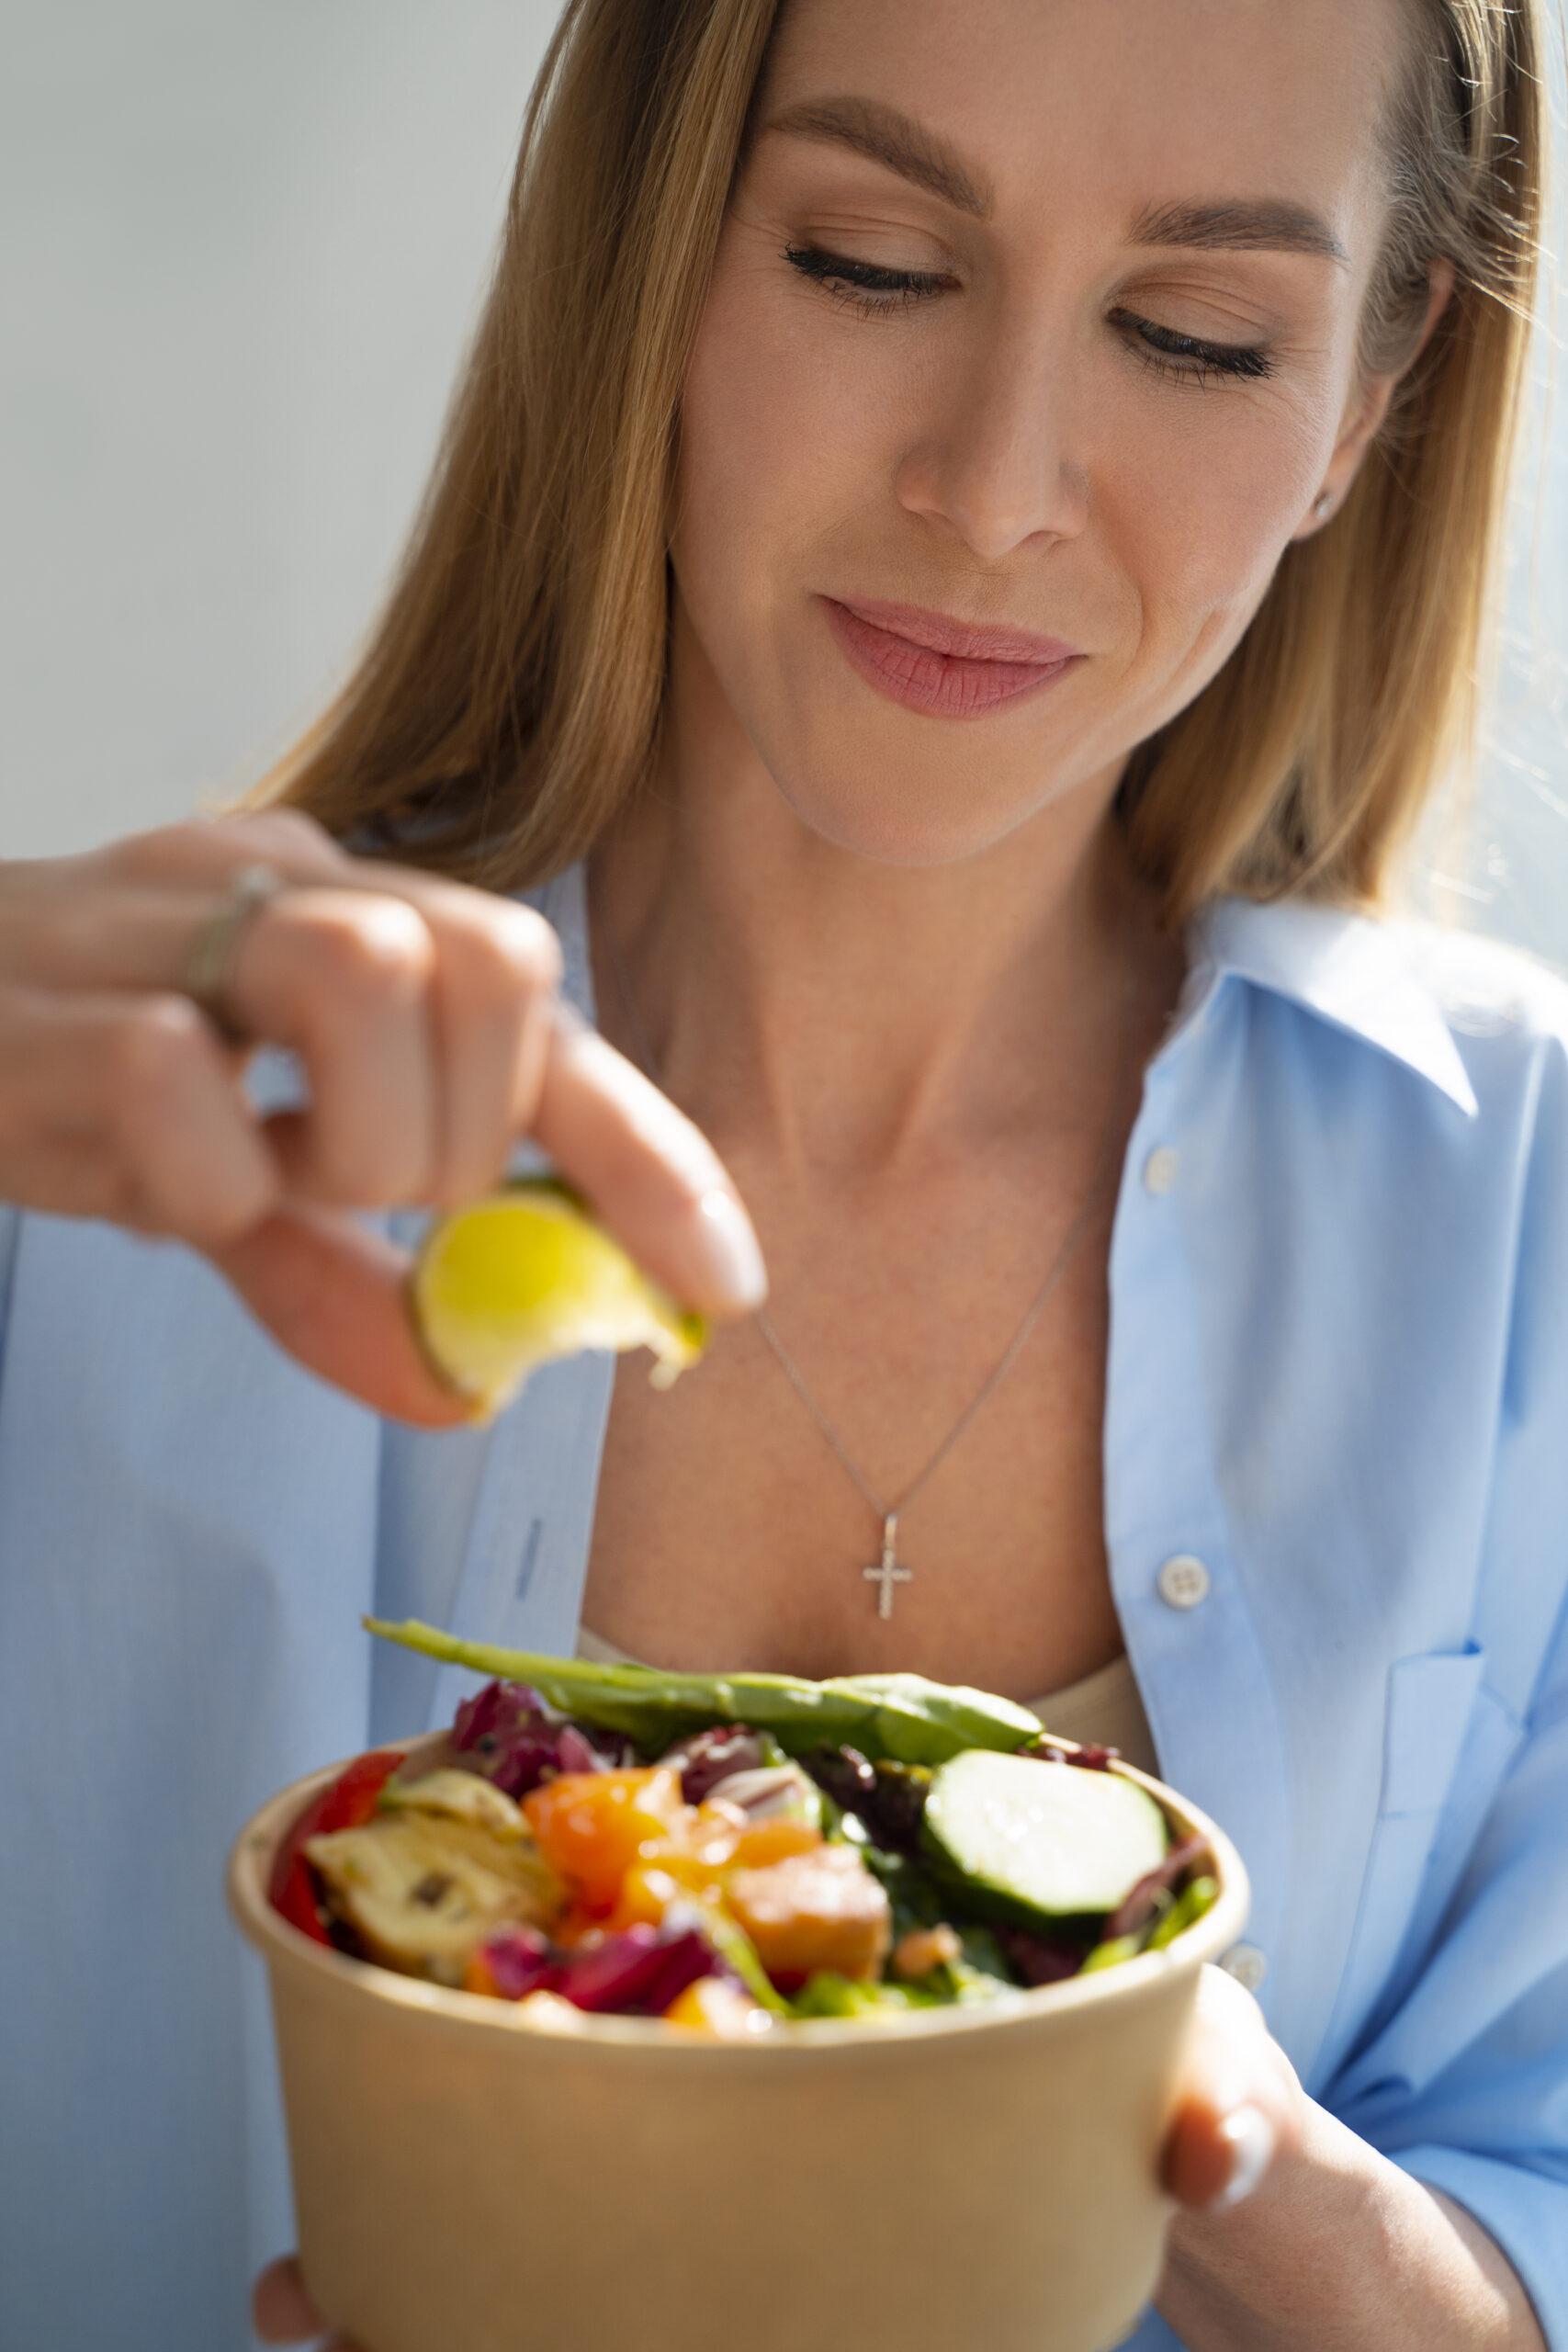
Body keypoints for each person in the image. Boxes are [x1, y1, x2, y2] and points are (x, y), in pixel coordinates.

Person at [0, 0, 1562, 2344]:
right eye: (867, 261)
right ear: (652, 247)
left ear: (1360, 393)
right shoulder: (122, 1148)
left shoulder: (1521, 1203)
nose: (998, 481)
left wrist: (1244, 2174)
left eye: (1188, 331)